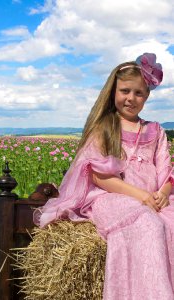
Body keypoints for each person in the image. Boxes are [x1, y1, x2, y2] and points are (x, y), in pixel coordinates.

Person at [34, 53, 174, 299]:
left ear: (147, 96)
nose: (131, 98)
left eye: (138, 93)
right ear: (113, 92)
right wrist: (141, 196)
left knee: (169, 222)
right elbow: (100, 177)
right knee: (147, 223)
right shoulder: (105, 128)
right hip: (112, 196)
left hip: (153, 197)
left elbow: (166, 171)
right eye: (125, 91)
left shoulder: (156, 131)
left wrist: (163, 193)